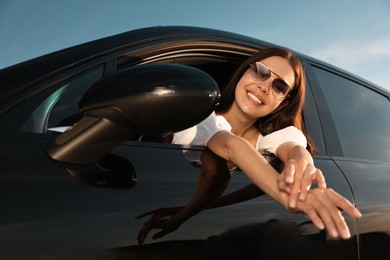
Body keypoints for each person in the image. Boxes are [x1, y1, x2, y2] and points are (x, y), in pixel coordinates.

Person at [136, 47, 362, 245]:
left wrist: (301, 160)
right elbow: (231, 147)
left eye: (279, 86)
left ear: (283, 102)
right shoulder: (201, 119)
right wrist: (284, 198)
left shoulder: (272, 139)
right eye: (261, 71)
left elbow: (292, 147)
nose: (264, 86)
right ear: (245, 70)